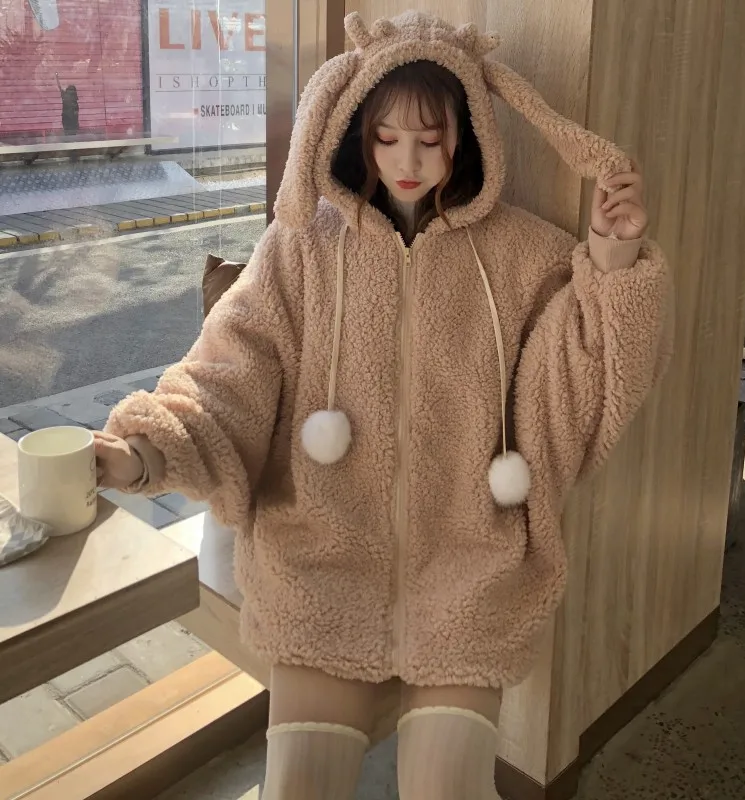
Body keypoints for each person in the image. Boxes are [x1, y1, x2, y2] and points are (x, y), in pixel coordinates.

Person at [94, 11, 673, 800]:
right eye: (387, 138)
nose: (407, 160)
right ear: (355, 135)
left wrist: (613, 255)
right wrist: (144, 450)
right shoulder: (300, 248)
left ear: (467, 137)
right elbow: (228, 371)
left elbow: (580, 377)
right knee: (299, 787)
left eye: (431, 139)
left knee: (448, 790)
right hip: (321, 566)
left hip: (468, 572)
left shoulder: (522, 256)